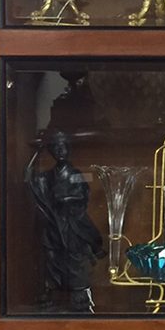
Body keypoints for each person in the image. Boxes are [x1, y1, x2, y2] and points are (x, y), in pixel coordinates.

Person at [26, 130, 105, 313]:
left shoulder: (76, 174)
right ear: (51, 151)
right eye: (55, 148)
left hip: (72, 225)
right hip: (54, 225)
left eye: (63, 147)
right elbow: (29, 178)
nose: (60, 151)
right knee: (52, 259)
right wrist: (37, 152)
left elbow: (83, 196)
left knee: (75, 259)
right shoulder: (46, 177)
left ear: (69, 149)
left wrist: (66, 200)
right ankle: (51, 294)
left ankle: (80, 295)